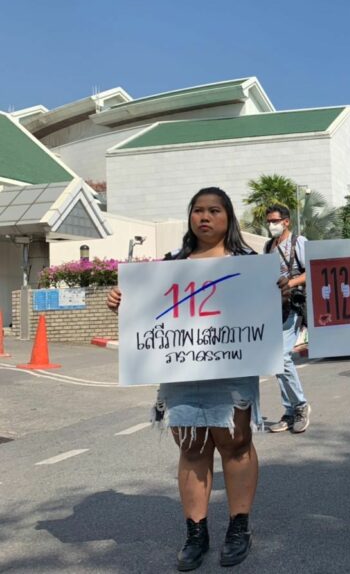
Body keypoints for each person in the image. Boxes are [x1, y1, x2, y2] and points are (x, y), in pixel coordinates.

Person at [107, 187, 265, 570]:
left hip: (230, 366)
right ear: (190, 217)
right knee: (192, 446)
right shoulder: (168, 267)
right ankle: (196, 532)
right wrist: (123, 305)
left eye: (214, 210)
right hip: (180, 369)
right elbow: (147, 320)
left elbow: (265, 316)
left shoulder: (249, 265)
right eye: (198, 210)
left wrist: (273, 293)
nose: (205, 217)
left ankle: (239, 528)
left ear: (229, 218)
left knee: (236, 442)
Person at [264, 204, 311, 434]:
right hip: (274, 307)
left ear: (286, 222)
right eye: (268, 222)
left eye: (275, 221)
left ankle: (301, 406)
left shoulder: (298, 242)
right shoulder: (268, 246)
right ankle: (290, 411)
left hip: (293, 305)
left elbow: (313, 268)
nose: (271, 225)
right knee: (276, 360)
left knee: (282, 357)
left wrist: (290, 283)